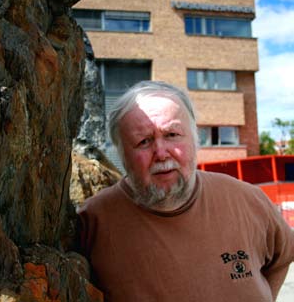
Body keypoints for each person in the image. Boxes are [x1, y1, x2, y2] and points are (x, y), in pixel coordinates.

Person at [77, 81, 294, 302]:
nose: (161, 153)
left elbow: (283, 258)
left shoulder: (247, 199)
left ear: (194, 138)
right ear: (122, 154)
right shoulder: (91, 223)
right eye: (143, 141)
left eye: (172, 134)